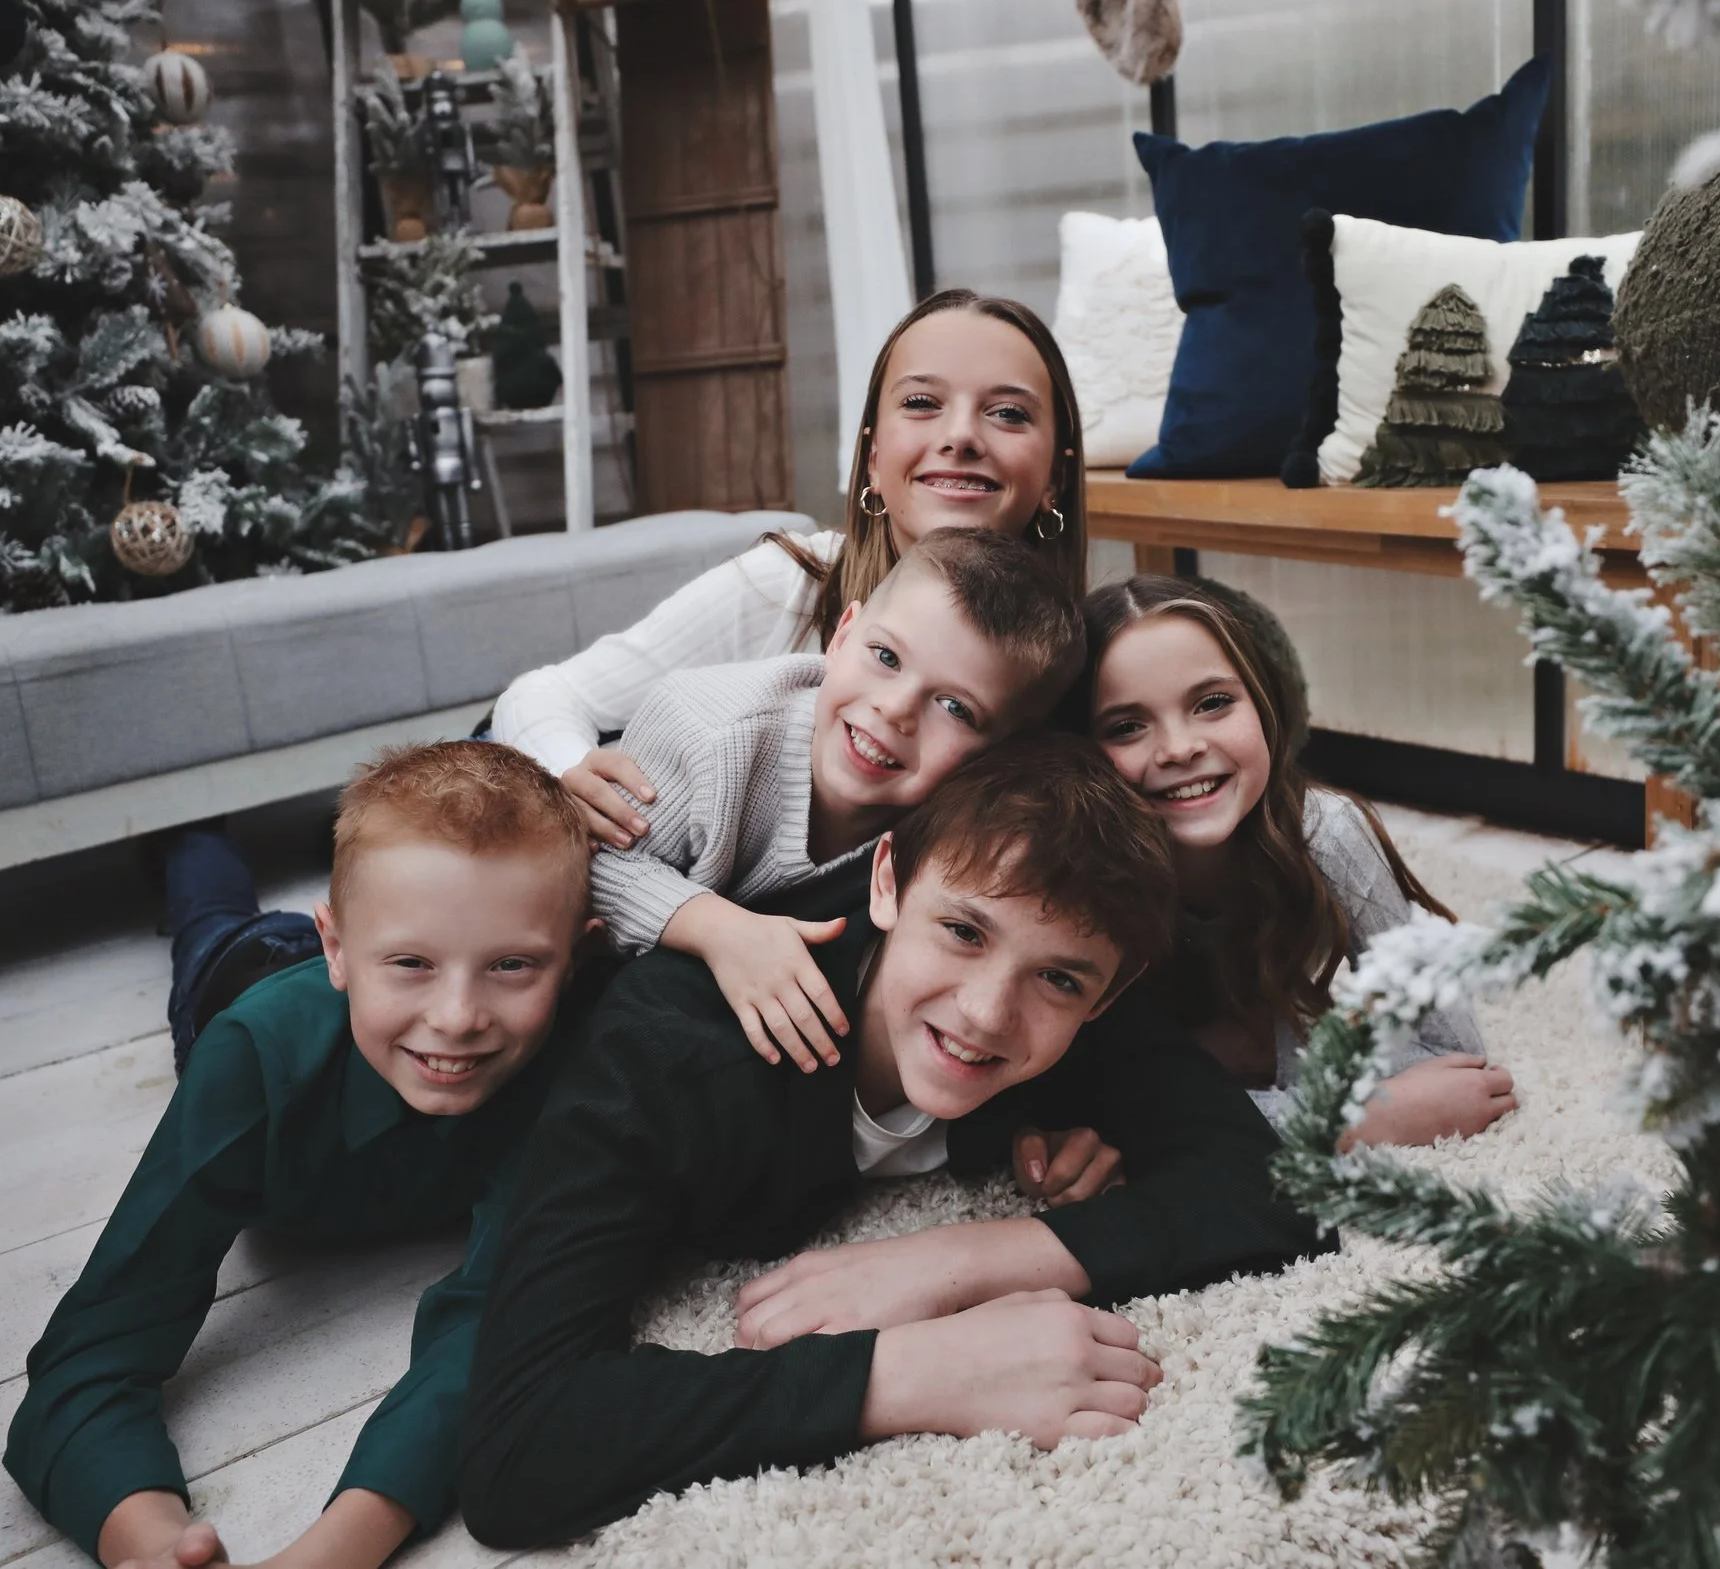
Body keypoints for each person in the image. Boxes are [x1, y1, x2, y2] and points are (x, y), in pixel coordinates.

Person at [455, 737, 1325, 1548]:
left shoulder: (1074, 977)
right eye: (963, 932)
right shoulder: (671, 1056)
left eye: (1058, 980)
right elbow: (520, 1446)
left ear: (1108, 993)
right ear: (886, 882)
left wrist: (962, 1259)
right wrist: (914, 1371)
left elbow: (1276, 1185)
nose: (986, 1011)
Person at [5, 743, 601, 1569]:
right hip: (247, 972)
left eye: (512, 964)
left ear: (576, 963)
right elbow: (92, 1354)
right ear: (338, 949)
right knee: (209, 920)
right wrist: (156, 1542)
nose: (458, 1016)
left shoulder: (578, 1063)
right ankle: (191, 836)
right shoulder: (250, 1058)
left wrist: (330, 1554)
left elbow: (504, 1323)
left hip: (358, 972)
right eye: (413, 964)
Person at [490, 288, 1091, 849]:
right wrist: (571, 774)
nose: (960, 436)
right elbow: (541, 695)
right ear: (873, 458)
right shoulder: (789, 585)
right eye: (920, 403)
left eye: (1007, 413)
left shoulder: (1076, 659)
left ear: (1056, 477)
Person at [592, 527, 1084, 1074]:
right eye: (886, 656)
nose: (895, 709)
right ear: (843, 635)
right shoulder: (706, 729)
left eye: (955, 708)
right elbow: (593, 863)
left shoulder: (958, 825)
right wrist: (717, 929)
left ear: (1000, 755)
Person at [1077, 574, 1517, 1147]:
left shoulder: (1326, 833)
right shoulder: (1081, 870)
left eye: (1213, 703)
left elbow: (1456, 1062)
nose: (1180, 748)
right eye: (1127, 727)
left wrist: (1265, 1062)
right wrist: (1354, 1120)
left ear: (1264, 706)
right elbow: (1111, 1108)